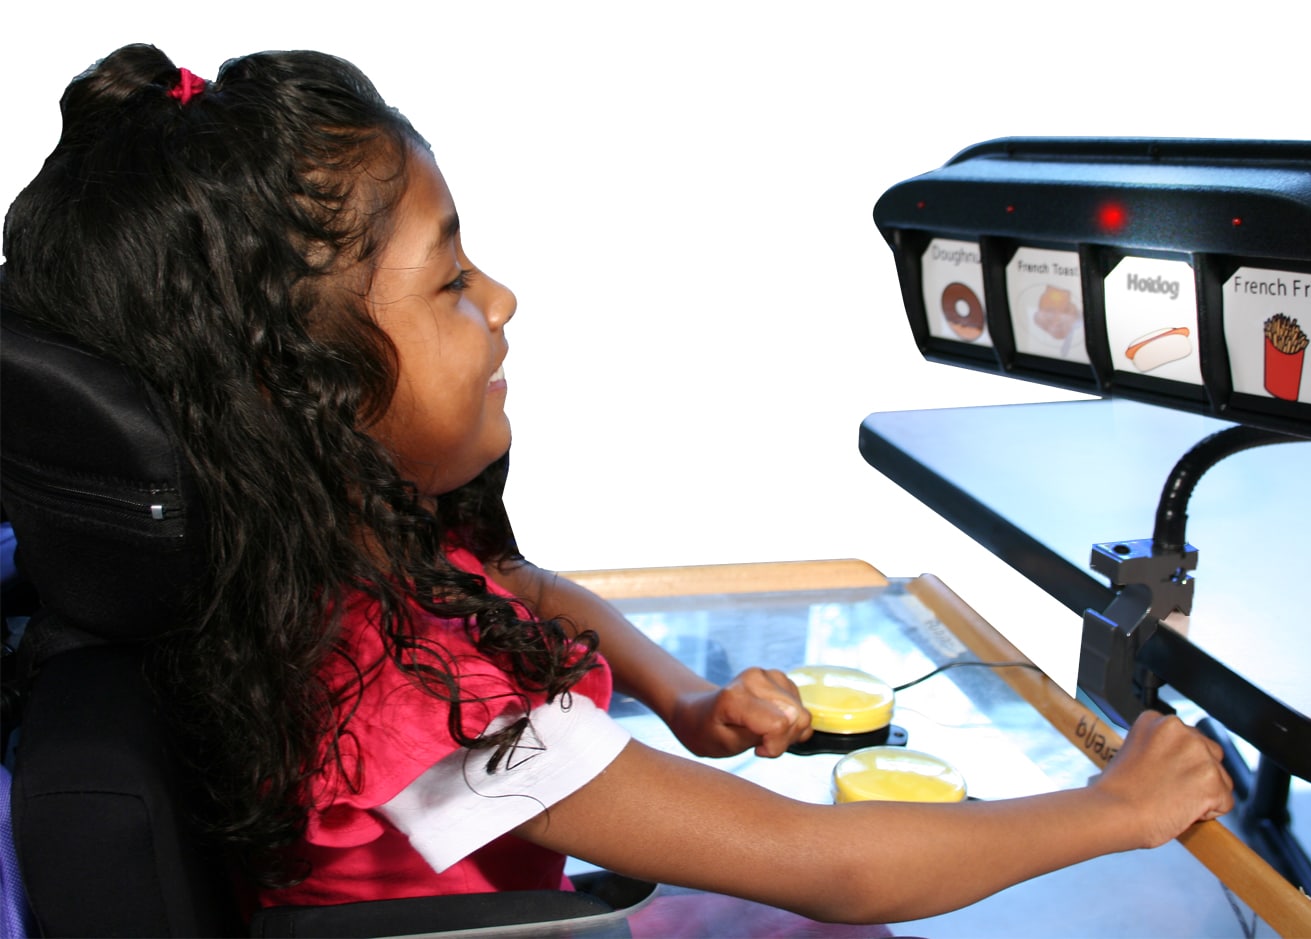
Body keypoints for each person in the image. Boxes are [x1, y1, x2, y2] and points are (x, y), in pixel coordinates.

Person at [2, 43, 1233, 926]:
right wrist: (1115, 811)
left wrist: (686, 697)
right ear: (294, 389)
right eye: (448, 281)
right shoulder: (402, 697)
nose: (502, 301)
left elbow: (518, 584)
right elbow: (833, 867)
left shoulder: (342, 570)